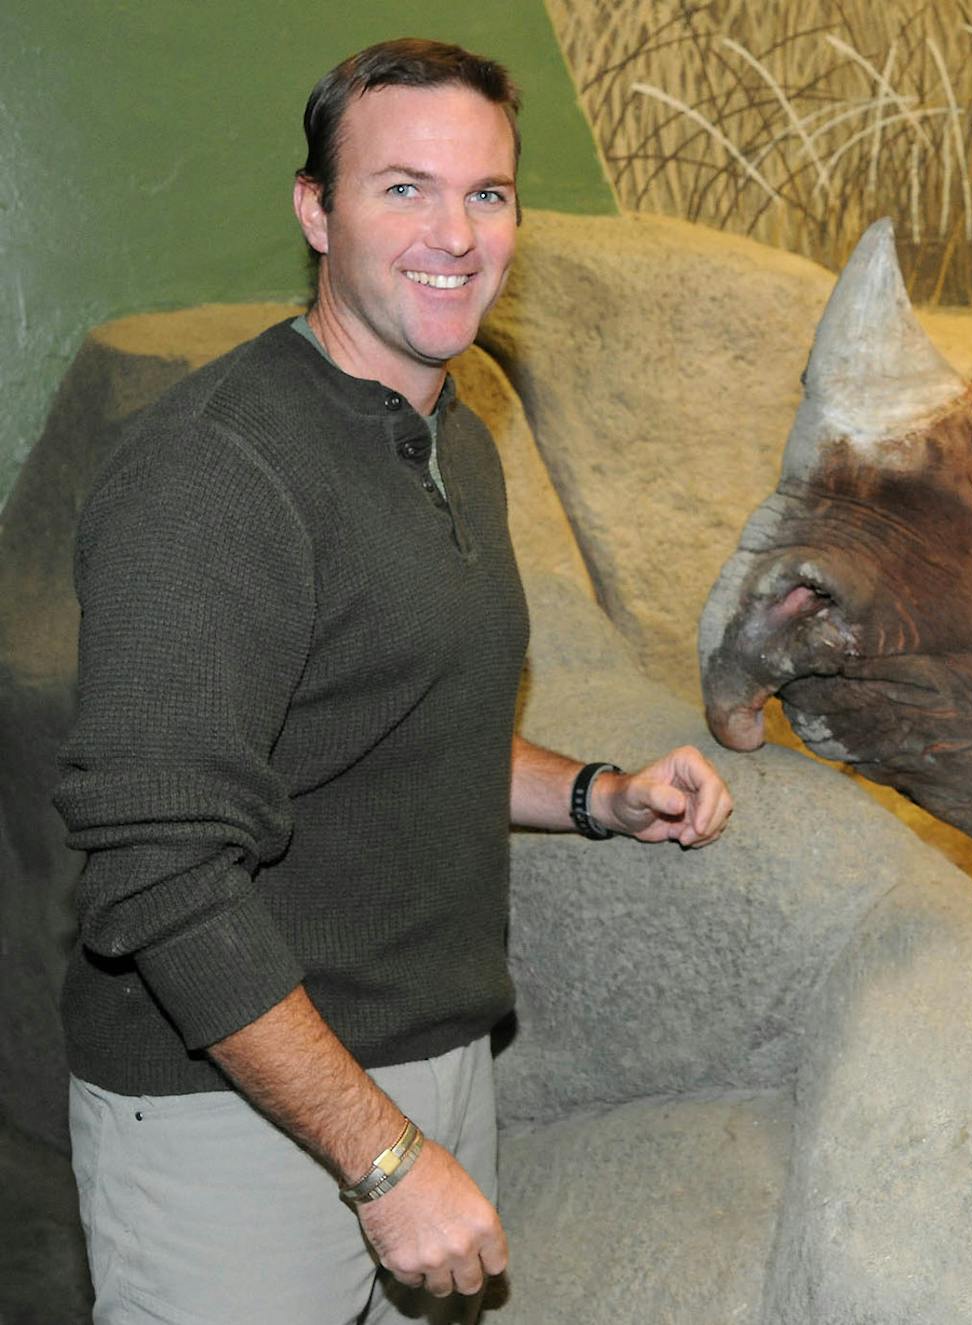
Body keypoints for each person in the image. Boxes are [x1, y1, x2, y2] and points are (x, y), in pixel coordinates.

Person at [54, 38, 731, 1322]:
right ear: (315, 209)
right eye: (403, 188)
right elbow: (158, 868)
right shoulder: (211, 472)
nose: (456, 234)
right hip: (235, 1115)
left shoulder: (451, 435)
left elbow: (393, 733)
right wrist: (381, 1158)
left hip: (431, 1066)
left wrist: (600, 794)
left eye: (488, 194)